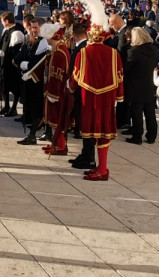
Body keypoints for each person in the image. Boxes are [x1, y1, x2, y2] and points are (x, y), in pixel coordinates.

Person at [71, 20, 124, 181]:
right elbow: (120, 76)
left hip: (89, 98)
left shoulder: (84, 53)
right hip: (107, 98)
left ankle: (102, 169)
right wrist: (119, 96)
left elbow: (76, 76)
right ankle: (100, 167)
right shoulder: (114, 53)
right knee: (103, 132)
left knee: (92, 132)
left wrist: (71, 88)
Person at [38, 24, 73, 156]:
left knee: (57, 120)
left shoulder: (59, 52)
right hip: (57, 91)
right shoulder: (57, 49)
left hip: (58, 92)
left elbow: (57, 76)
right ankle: (56, 143)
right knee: (55, 119)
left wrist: (53, 93)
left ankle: (61, 145)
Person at [123, 27, 159, 143]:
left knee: (136, 112)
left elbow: (126, 69)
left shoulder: (133, 52)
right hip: (148, 84)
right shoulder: (153, 50)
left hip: (135, 86)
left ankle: (137, 136)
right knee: (150, 113)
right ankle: (151, 136)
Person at [0, 12, 27, 117]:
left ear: (7, 21)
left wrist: (7, 55)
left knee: (14, 87)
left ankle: (13, 108)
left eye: (2, 21)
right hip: (4, 63)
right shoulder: (7, 30)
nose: (2, 23)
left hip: (11, 65)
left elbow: (16, 51)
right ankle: (6, 106)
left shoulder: (16, 33)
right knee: (3, 85)